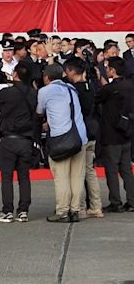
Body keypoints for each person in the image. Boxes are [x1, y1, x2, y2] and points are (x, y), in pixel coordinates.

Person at [37, 64, 87, 223]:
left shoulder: (45, 91)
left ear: (46, 77)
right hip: (80, 137)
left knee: (61, 177)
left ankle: (62, 211)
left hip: (61, 138)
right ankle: (75, 209)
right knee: (77, 176)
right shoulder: (72, 89)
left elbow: (40, 111)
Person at [0, 62, 37, 223]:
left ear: (15, 74)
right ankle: (23, 210)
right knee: (24, 176)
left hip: (9, 139)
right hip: (26, 139)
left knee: (7, 177)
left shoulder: (7, 92)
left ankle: (7, 210)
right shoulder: (33, 93)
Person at [63, 58, 103, 218]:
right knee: (90, 171)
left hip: (81, 133)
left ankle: (79, 207)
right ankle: (96, 206)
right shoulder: (92, 87)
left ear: (72, 71)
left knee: (78, 172)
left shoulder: (73, 89)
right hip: (93, 130)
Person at [95, 57, 134, 213]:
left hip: (111, 135)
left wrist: (99, 79)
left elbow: (98, 97)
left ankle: (115, 201)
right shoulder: (130, 86)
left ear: (112, 70)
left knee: (111, 170)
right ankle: (131, 201)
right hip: (127, 133)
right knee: (126, 170)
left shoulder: (109, 89)